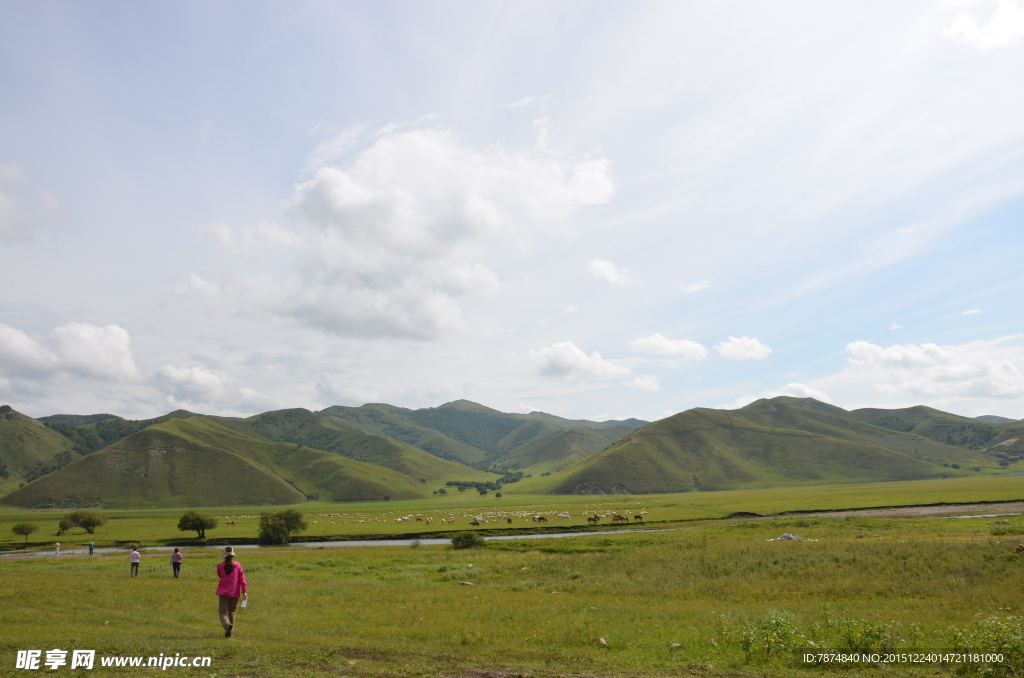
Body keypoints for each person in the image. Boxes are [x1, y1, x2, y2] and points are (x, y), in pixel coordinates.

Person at [215, 546, 247, 638]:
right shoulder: (238, 565)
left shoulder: (220, 566)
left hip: (223, 593)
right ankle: (230, 632)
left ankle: (227, 625)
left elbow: (220, 576)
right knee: (232, 612)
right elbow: (242, 580)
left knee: (222, 612)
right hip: (235, 593)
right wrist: (244, 591)